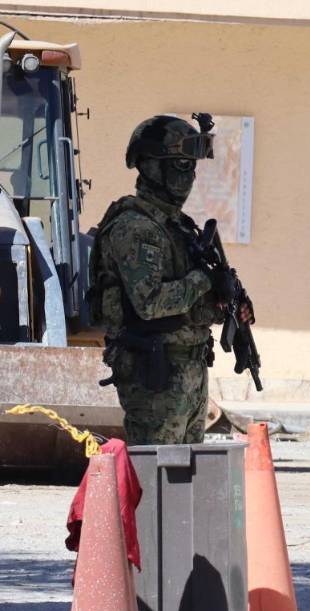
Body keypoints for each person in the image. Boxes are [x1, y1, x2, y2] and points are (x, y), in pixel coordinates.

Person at [88, 114, 221, 445]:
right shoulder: (135, 228)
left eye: (191, 166)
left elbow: (189, 309)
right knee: (156, 485)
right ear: (149, 166)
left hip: (189, 372)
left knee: (187, 485)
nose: (188, 176)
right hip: (154, 376)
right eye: (179, 165)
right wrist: (203, 280)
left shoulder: (178, 227)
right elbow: (150, 303)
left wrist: (222, 303)